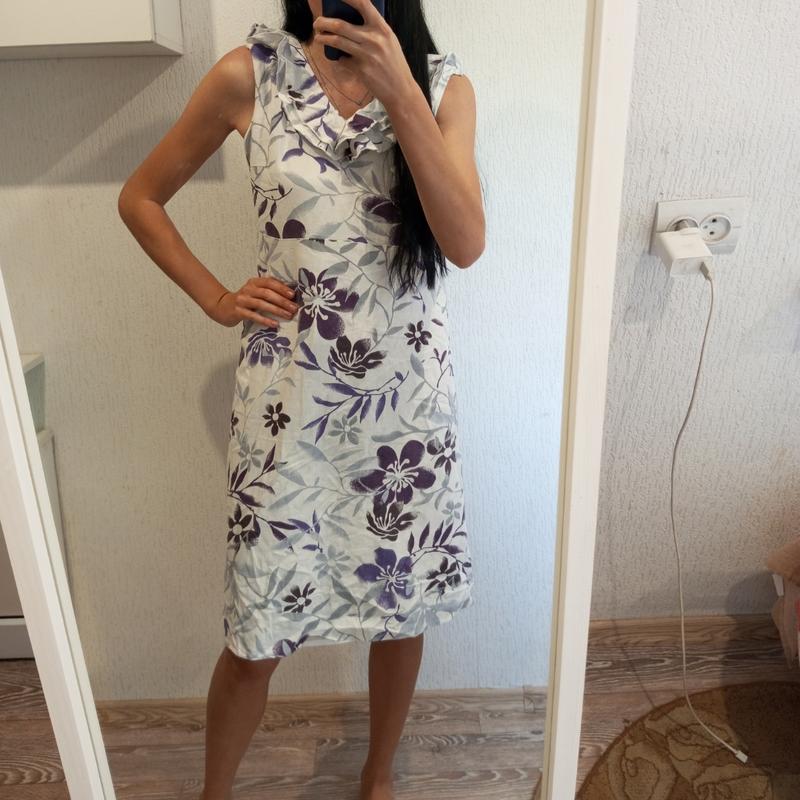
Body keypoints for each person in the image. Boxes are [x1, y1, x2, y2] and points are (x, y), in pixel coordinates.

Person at [118, 1, 484, 798]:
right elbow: (140, 198)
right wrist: (217, 298)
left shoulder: (442, 89)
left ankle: (377, 778)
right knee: (257, 631)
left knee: (400, 610)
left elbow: (463, 242)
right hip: (290, 407)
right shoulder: (251, 76)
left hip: (405, 411)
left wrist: (401, 90)